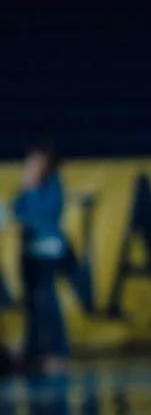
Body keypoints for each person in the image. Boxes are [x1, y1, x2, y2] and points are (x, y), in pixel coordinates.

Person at [14, 143, 69, 371]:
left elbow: (38, 217)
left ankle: (58, 352)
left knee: (47, 300)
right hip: (29, 252)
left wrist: (31, 189)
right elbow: (18, 211)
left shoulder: (52, 186)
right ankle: (33, 349)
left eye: (34, 161)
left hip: (46, 251)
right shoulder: (30, 187)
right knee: (32, 303)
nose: (29, 165)